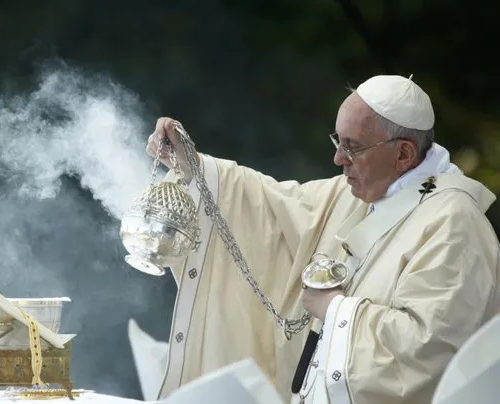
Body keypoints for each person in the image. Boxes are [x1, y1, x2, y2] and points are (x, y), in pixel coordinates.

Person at [144, 75, 500, 404]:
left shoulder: (455, 224)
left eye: (352, 147)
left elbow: (429, 347)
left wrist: (335, 309)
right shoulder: (359, 193)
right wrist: (197, 169)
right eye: (337, 141)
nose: (337, 159)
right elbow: (272, 208)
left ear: (403, 154)